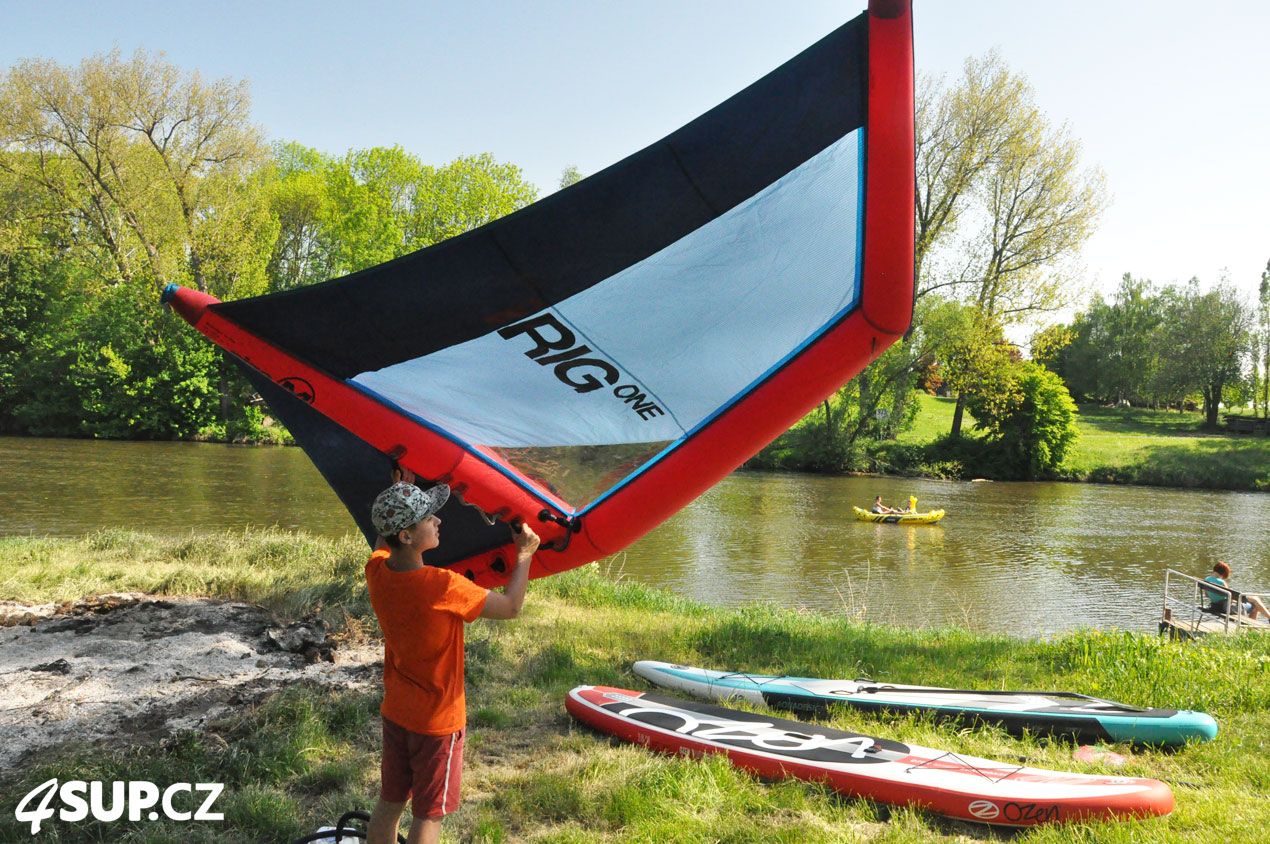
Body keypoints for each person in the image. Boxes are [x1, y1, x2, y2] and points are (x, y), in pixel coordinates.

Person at [364, 467, 539, 844]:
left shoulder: (377, 571)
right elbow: (510, 608)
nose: (438, 519)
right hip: (438, 724)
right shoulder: (443, 586)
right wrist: (523, 554)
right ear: (408, 536)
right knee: (429, 815)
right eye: (429, 517)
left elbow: (383, 536)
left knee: (390, 801)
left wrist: (401, 491)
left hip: (397, 712)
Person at [1203, 561, 1269, 621]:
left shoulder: (1207, 579)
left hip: (1215, 606)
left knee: (1254, 600)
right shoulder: (1221, 582)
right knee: (1256, 605)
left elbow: (1206, 595)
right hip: (1228, 608)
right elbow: (1230, 599)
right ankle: (1267, 619)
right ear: (1224, 573)